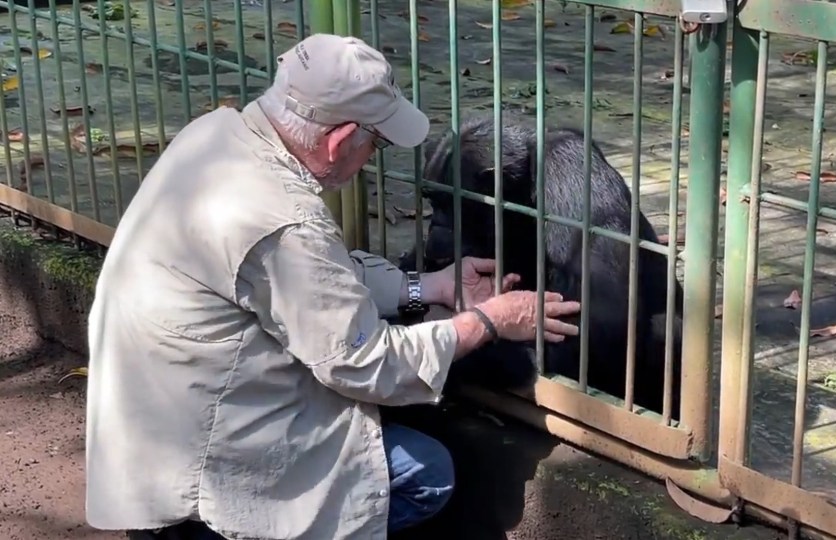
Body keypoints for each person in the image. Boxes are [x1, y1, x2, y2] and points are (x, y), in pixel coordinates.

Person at [84, 32, 581, 540]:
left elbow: (312, 278)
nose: (372, 157)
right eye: (377, 143)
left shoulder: (215, 136)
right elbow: (363, 365)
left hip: (143, 439)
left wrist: (427, 287)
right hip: (203, 465)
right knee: (426, 475)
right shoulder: (283, 219)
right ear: (341, 139)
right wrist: (488, 322)